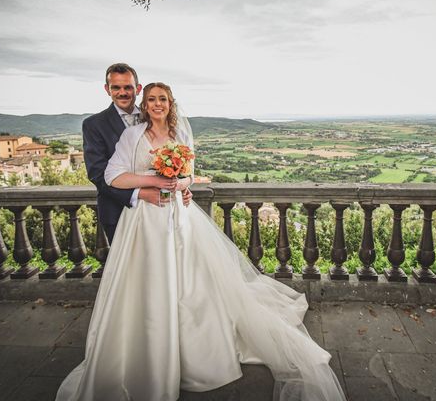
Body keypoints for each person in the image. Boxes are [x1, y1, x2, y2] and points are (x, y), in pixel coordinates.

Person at [56, 83, 346, 401]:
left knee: (191, 283)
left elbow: (190, 174)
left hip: (179, 216)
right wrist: (154, 181)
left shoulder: (181, 133)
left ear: (170, 103)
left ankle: (196, 352)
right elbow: (113, 175)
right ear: (144, 102)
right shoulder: (131, 136)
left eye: (162, 99)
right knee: (146, 284)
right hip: (144, 220)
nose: (156, 104)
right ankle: (148, 351)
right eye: (150, 99)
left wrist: (180, 183)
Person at [82, 63, 191, 243]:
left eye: (128, 87)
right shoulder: (94, 125)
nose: (122, 92)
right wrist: (139, 193)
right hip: (117, 210)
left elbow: (178, 166)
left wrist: (181, 186)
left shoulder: (154, 115)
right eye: (116, 87)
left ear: (138, 89)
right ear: (107, 89)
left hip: (164, 210)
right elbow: (98, 174)